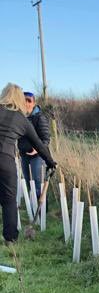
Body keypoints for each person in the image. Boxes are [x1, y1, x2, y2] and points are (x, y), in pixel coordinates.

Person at [0, 83, 56, 244]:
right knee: (9, 200)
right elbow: (39, 144)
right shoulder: (21, 119)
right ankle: (10, 239)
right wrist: (51, 162)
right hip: (5, 161)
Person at [20, 92, 52, 198]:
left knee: (38, 183)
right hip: (24, 155)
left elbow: (46, 139)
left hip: (37, 156)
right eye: (24, 100)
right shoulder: (20, 118)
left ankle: (42, 210)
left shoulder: (40, 118)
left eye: (29, 101)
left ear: (33, 103)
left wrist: (37, 149)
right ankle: (34, 210)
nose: (26, 103)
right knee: (29, 183)